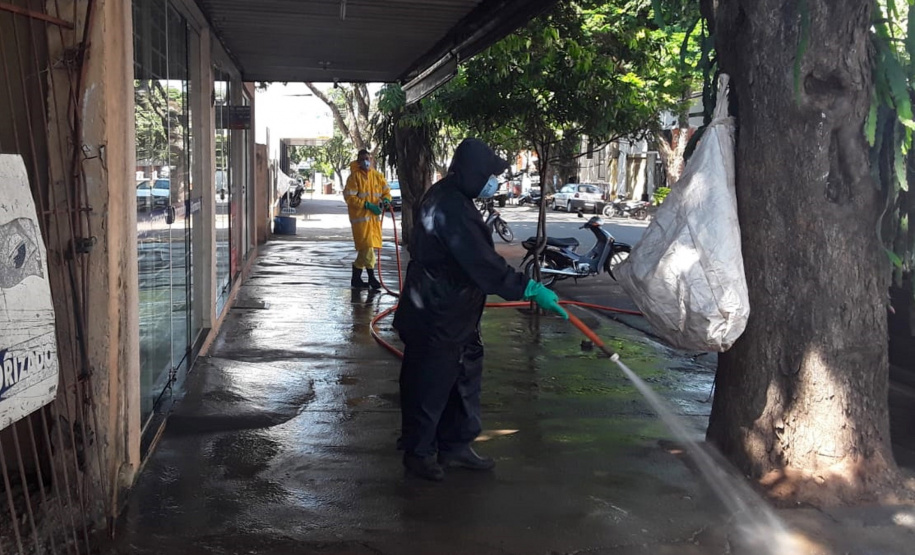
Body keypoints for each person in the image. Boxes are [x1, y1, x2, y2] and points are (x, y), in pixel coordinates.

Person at [393, 138, 568, 481]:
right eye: (489, 174)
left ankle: (456, 446)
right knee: (429, 386)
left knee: (462, 379)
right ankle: (419, 454)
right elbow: (482, 263)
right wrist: (528, 288)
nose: (494, 181)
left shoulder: (451, 196)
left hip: (455, 312)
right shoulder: (451, 207)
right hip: (437, 312)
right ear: (474, 173)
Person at [343, 149, 391, 289]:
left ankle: (356, 278)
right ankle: (371, 277)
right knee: (368, 248)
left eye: (367, 158)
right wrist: (367, 205)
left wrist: (386, 200)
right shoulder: (354, 177)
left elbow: (386, 192)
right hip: (360, 220)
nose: (366, 161)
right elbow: (349, 198)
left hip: (374, 221)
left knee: (365, 250)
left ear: (371, 160)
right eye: (363, 159)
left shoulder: (377, 176)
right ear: (358, 161)